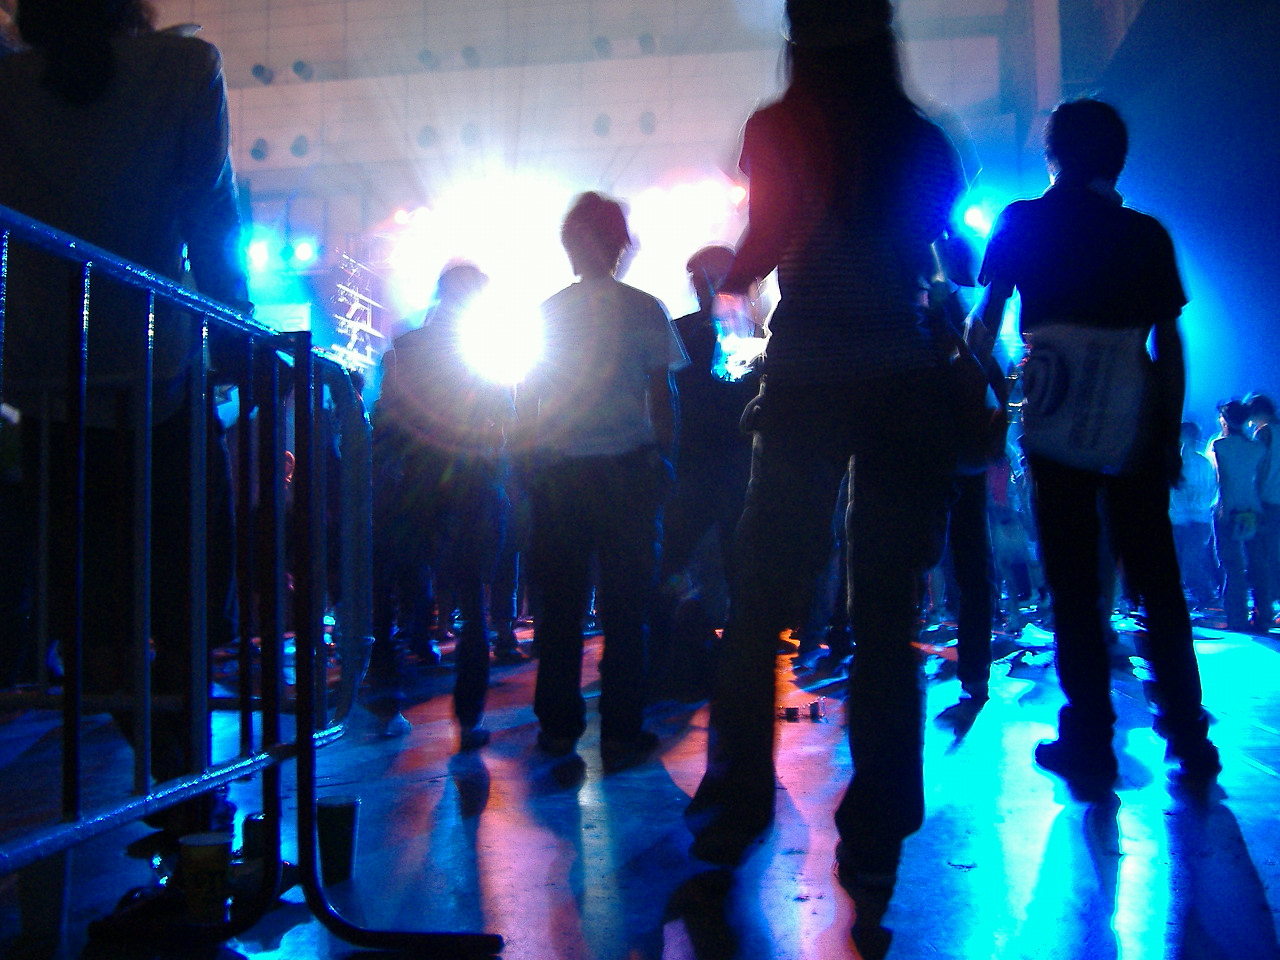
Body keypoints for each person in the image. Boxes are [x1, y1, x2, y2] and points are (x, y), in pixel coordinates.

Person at [683, 2, 964, 947]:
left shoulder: (778, 128)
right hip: (900, 385)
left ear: (798, 41)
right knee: (884, 611)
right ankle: (877, 829)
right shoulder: (919, 138)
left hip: (806, 382)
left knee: (760, 600)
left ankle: (736, 803)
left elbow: (762, 246)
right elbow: (939, 249)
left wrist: (733, 276)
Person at [0, 0, 247, 834]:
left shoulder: (6, 87)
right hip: (158, 375)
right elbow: (210, 215)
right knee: (184, 602)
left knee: (89, 612)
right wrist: (241, 338)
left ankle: (172, 777)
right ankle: (186, 785)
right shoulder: (185, 69)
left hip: (44, 382)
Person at [969, 97, 1220, 803]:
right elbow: (1168, 345)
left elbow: (987, 321)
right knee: (1157, 580)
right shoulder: (1144, 233)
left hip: (1054, 417)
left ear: (1051, 154)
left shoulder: (1021, 221)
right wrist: (1164, 436)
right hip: (1134, 417)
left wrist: (981, 396)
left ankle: (1090, 738)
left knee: (1074, 582)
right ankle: (1189, 734)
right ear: (1119, 160)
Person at [518, 191, 687, 773]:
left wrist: (527, 464)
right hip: (628, 474)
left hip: (561, 476)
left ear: (571, 245)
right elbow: (662, 397)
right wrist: (665, 461)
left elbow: (527, 400)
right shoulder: (644, 308)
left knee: (561, 610)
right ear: (619, 245)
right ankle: (621, 731)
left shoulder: (549, 312)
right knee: (626, 611)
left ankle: (557, 730)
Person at [371, 261, 512, 749]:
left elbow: (386, 415)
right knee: (471, 602)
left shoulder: (407, 348)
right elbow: (505, 419)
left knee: (395, 594)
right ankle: (469, 720)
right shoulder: (484, 352)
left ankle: (388, 703)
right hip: (469, 482)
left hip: (414, 483)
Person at [650, 243, 761, 700]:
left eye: (707, 279)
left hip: (714, 468)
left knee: (719, 565)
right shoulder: (717, 333)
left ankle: (693, 662)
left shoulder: (742, 336)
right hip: (708, 468)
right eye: (699, 280)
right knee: (682, 562)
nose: (703, 288)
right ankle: (688, 660)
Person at [1209, 398, 1267, 632]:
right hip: (1252, 507)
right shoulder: (1257, 447)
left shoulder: (1219, 445)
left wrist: (1223, 506)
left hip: (1228, 508)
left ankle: (1236, 617)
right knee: (1256, 564)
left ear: (1225, 420)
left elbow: (1222, 480)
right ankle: (1262, 615)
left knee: (1231, 565)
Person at [1169, 421, 1219, 613]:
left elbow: (1210, 489)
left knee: (1191, 561)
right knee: (1180, 562)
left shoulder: (1202, 463)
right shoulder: (1175, 462)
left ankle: (1206, 596)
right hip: (1180, 519)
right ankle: (1196, 598)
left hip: (1196, 520)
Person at [1245, 392, 1279, 628]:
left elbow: (1256, 470)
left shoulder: (1264, 433)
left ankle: (1262, 613)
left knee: (1260, 560)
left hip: (1266, 502)